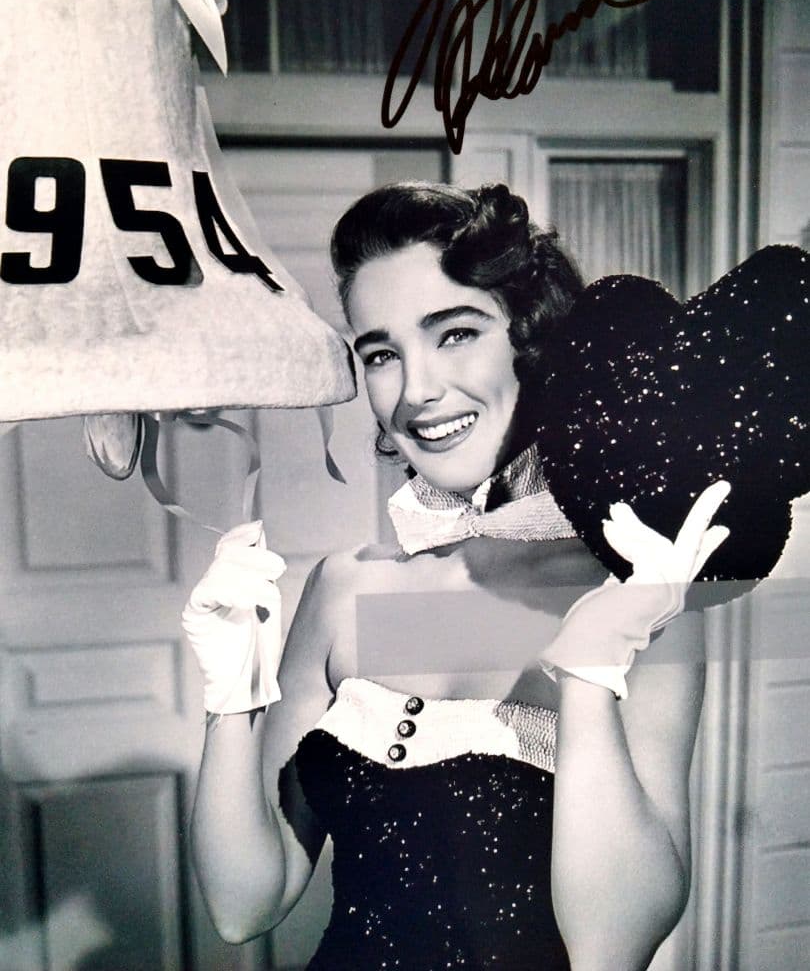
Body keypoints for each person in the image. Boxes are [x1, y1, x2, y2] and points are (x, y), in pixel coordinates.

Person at [184, 182, 729, 970]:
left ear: (535, 340)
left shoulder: (640, 596)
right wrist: (230, 700)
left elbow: (612, 949)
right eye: (381, 354)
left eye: (456, 333)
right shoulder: (345, 589)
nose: (417, 391)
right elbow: (245, 906)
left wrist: (587, 676)